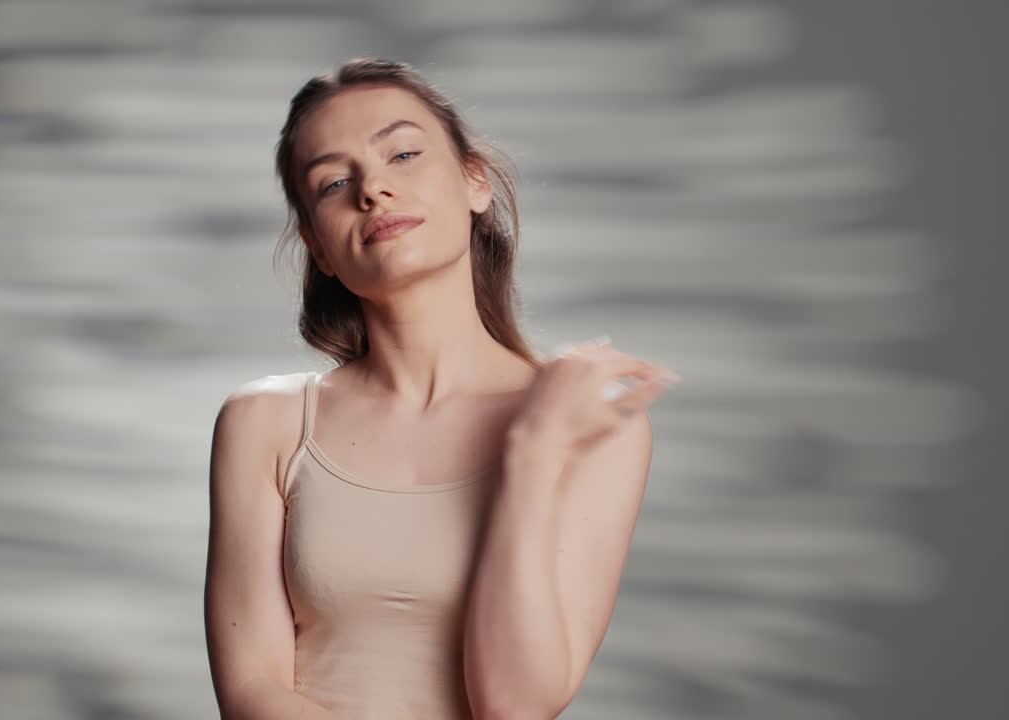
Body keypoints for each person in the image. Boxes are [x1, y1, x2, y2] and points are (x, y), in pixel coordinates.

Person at [203, 57, 680, 720]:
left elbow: (514, 705)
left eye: (402, 153)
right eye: (335, 181)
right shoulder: (264, 423)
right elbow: (251, 693)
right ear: (319, 248)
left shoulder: (591, 424)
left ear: (474, 181)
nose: (373, 190)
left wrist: (535, 449)